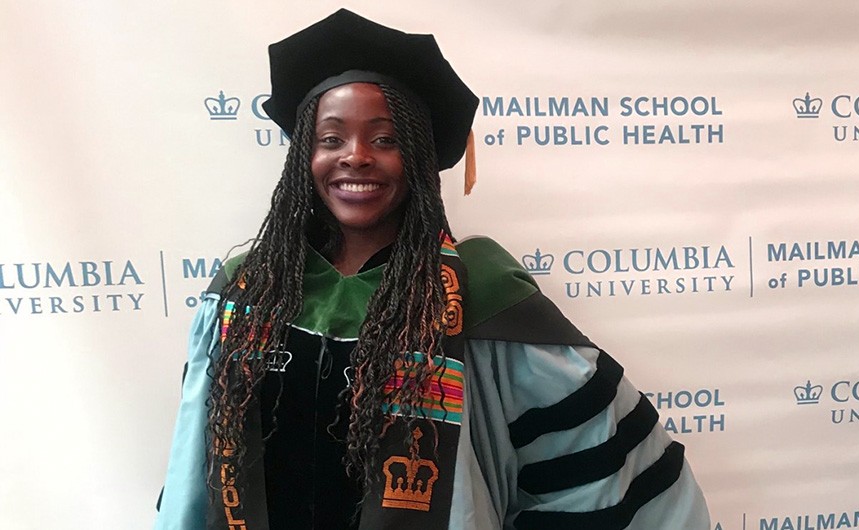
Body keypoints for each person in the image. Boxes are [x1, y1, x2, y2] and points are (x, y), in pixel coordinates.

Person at [155, 9, 710, 530]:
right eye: (331, 138)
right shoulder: (248, 290)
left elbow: (589, 460)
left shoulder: (479, 295)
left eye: (386, 139)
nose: (355, 156)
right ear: (305, 155)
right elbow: (196, 462)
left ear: (417, 157)